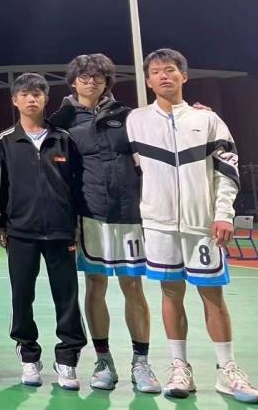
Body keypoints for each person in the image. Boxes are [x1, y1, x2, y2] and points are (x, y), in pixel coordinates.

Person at [126, 48, 258, 402]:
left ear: (184, 76)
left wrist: (223, 213)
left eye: (170, 70)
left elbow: (227, 170)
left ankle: (227, 370)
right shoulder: (135, 121)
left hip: (203, 225)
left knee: (212, 294)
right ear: (148, 80)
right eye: (156, 72)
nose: (163, 76)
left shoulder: (208, 120)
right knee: (171, 293)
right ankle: (179, 367)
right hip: (159, 224)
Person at [49, 54, 160, 393]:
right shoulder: (61, 120)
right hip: (89, 214)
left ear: (107, 81)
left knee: (133, 286)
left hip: (128, 214)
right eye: (84, 76)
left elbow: (158, 136)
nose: (91, 81)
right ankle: (103, 361)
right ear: (73, 81)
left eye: (98, 76)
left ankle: (141, 363)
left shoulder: (128, 116)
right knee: (95, 285)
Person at [0, 72, 87, 390]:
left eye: (37, 93)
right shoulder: (5, 141)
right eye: (25, 94)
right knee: (22, 296)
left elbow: (77, 184)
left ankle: (68, 359)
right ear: (15, 100)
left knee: (67, 296)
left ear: (46, 99)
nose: (31, 98)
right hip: (21, 231)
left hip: (61, 231)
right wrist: (0, 223)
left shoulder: (64, 139)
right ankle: (28, 356)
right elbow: (0, 187)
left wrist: (76, 223)